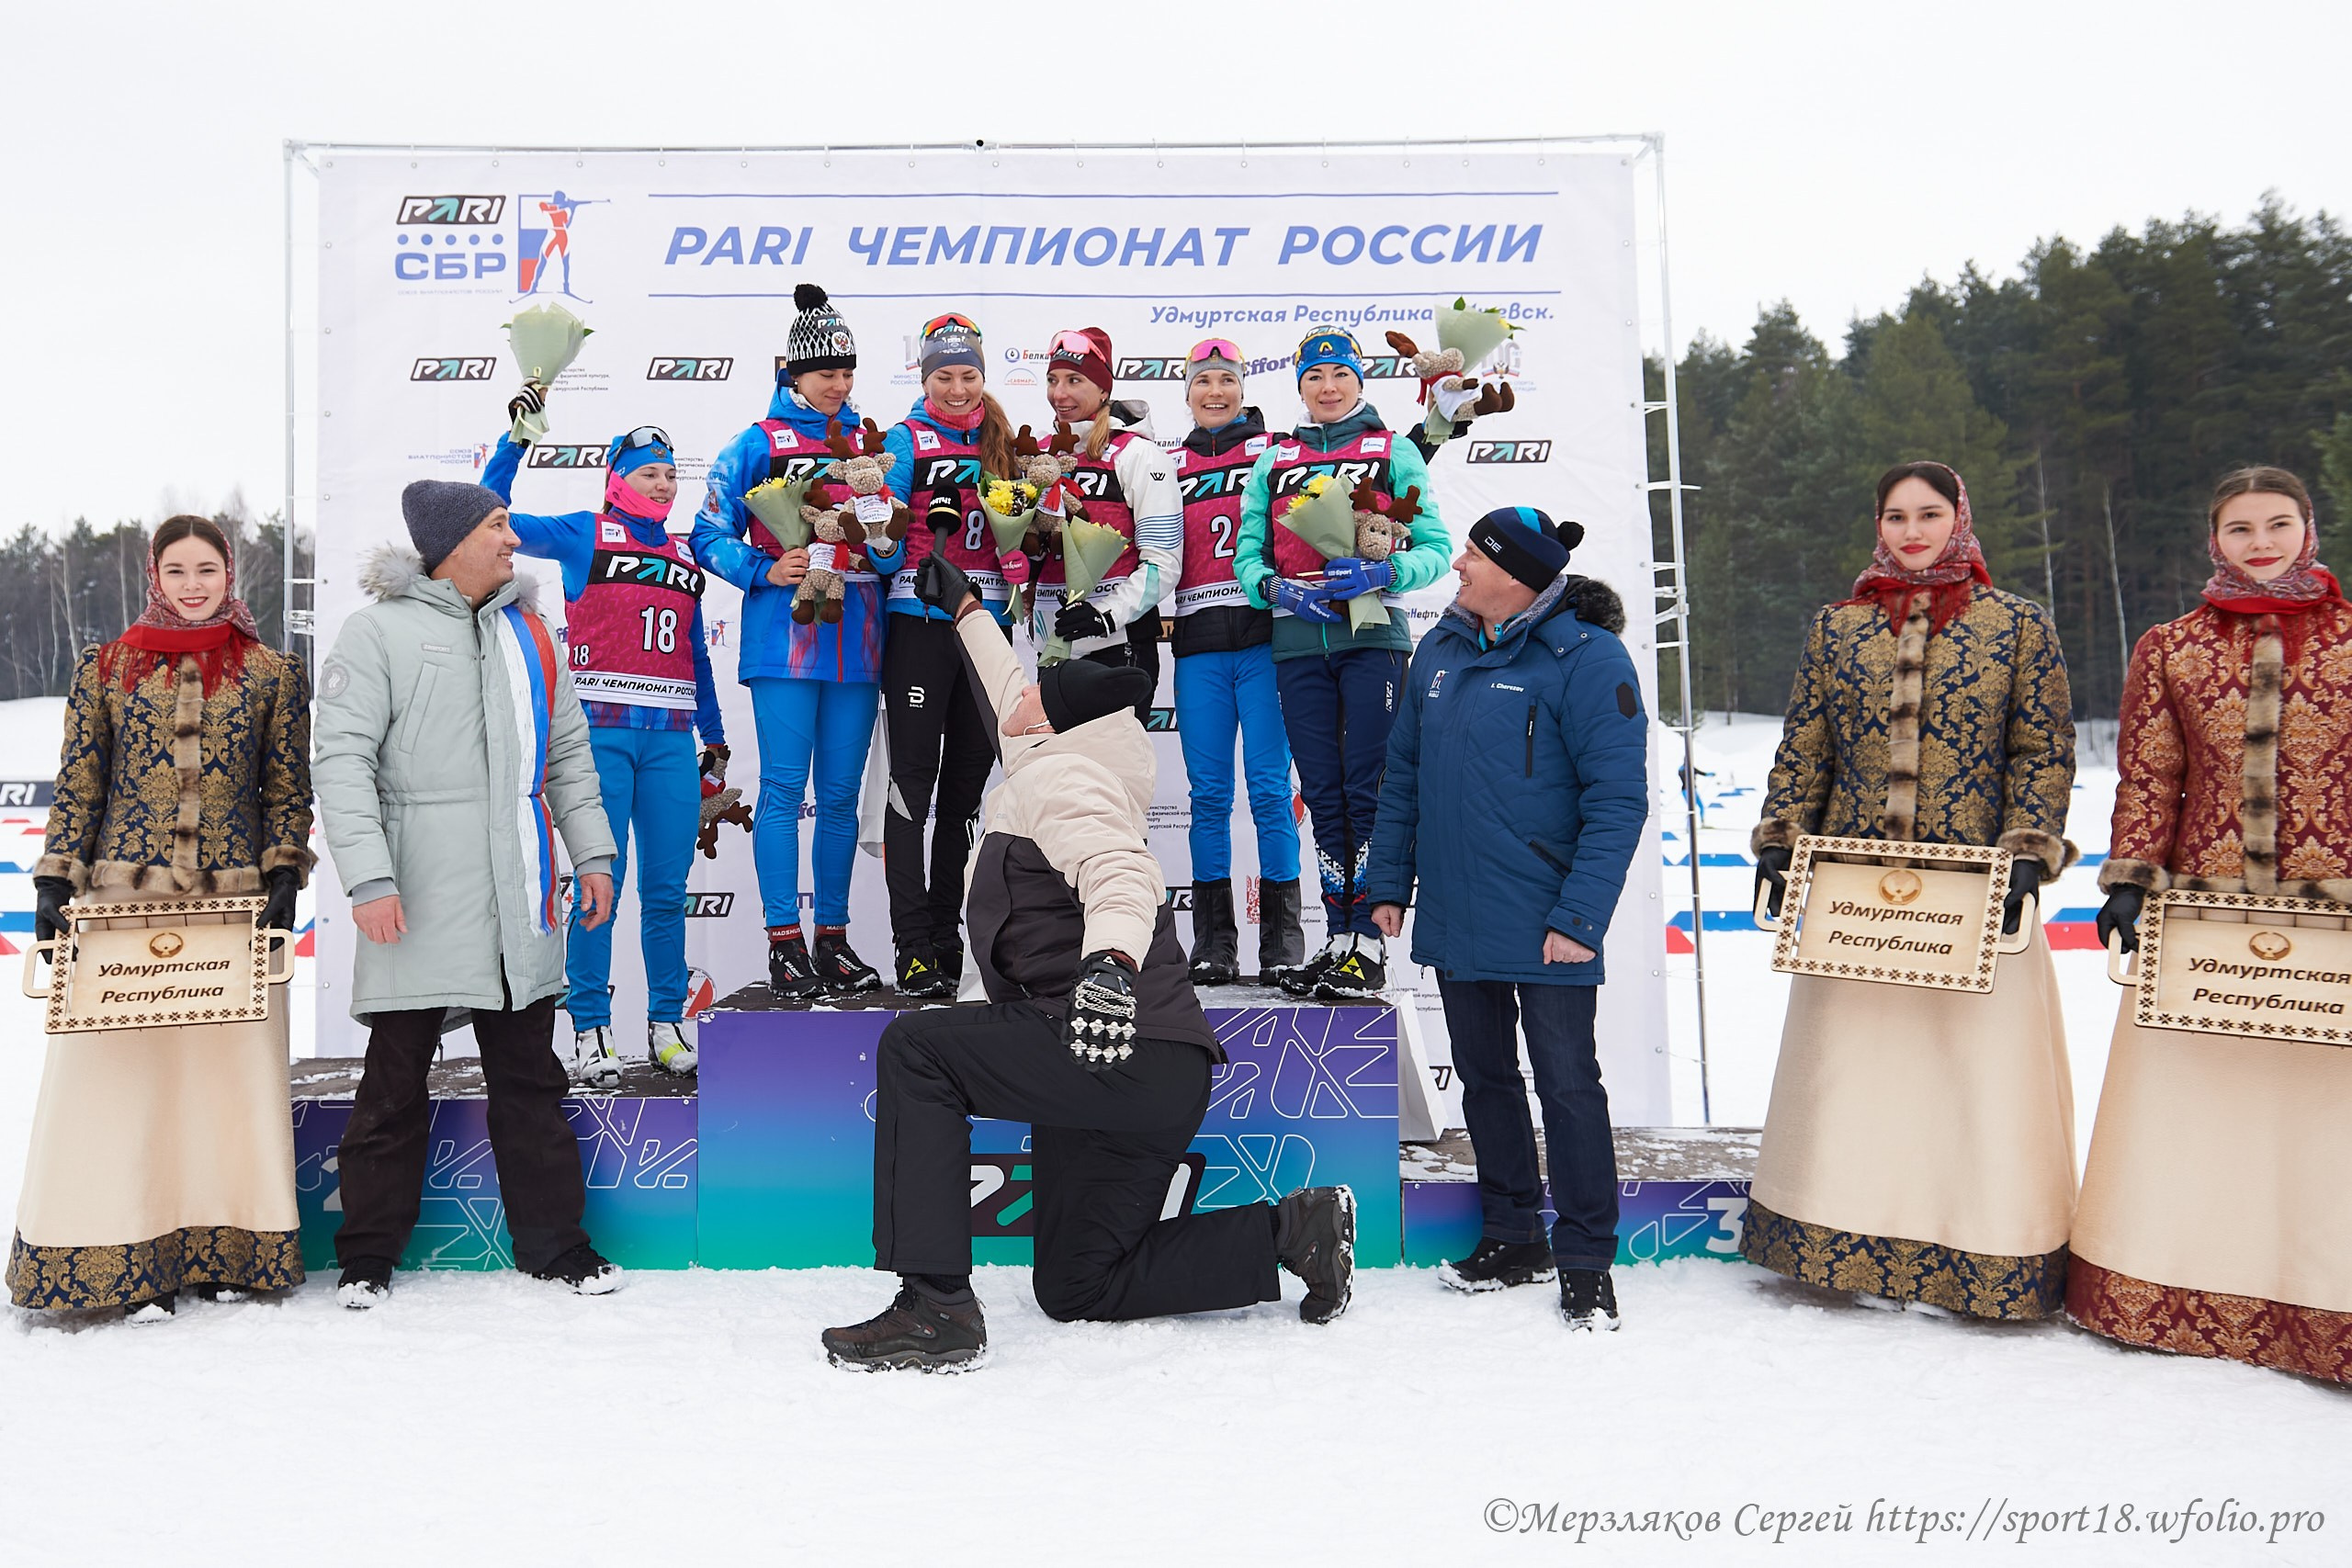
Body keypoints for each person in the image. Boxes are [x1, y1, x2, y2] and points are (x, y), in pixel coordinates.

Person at [818, 551, 1354, 1372]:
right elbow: (1005, 682)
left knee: (917, 1047)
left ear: (1052, 726)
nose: (1017, 694)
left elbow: (1121, 875)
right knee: (1078, 1282)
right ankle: (1291, 1231)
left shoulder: (1065, 780)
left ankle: (935, 1307)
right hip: (1150, 1071)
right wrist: (962, 605)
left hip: (1114, 1037)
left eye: (1034, 694)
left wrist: (1107, 967)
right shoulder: (1055, 751)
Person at [1740, 461, 2078, 1321]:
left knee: (1973, 1074)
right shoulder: (1838, 627)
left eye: (1930, 513)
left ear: (1960, 518)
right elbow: (1806, 747)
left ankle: (1981, 1254)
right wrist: (1781, 839)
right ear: (1877, 525)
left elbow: (2040, 749)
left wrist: (2028, 854)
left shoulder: (2018, 626)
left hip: (1977, 891)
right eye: (1896, 515)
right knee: (1857, 1074)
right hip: (1858, 896)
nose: (1913, 530)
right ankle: (1834, 1242)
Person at [2070, 466, 2352, 1383]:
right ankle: (2176, 1294)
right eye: (2239, 529)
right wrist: (2129, 880)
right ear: (2213, 540)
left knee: (2320, 1124)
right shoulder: (2171, 647)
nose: (2259, 543)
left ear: (2308, 529)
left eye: (2276, 524)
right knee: (2200, 1115)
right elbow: (2150, 775)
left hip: (2333, 924)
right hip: (2203, 920)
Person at [313, 480, 623, 1306]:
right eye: (497, 526)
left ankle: (557, 1245)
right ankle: (367, 1257)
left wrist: (592, 852)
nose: (513, 540)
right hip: (416, 894)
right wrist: (371, 879)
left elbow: (568, 759)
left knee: (530, 1077)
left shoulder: (534, 633)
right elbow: (341, 764)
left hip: (517, 893)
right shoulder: (375, 631)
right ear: (451, 543)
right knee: (392, 1082)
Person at [13, 517, 311, 1320]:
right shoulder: (105, 667)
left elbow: (285, 789)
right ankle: (109, 1252)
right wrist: (55, 879)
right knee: (114, 1086)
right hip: (122, 912)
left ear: (229, 573)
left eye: (205, 568)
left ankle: (228, 1248)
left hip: (232, 911)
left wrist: (285, 868)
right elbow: (80, 785)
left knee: (224, 1087)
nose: (190, 583)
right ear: (154, 573)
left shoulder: (271, 673)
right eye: (175, 569)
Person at [1366, 508, 1647, 1329]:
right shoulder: (1442, 651)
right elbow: (1404, 775)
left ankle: (1588, 1258)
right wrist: (1391, 879)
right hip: (1459, 914)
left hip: (1547, 920)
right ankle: (1514, 1234)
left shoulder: (1589, 658)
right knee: (1485, 1081)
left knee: (1567, 1086)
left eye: (1472, 555)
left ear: (1517, 576)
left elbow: (1617, 801)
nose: (1455, 564)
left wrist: (1580, 917)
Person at [485, 400, 722, 1085]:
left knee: (668, 890)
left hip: (673, 741)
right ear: (618, 477)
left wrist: (716, 735)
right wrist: (516, 439)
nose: (664, 485)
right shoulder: (586, 533)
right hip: (602, 738)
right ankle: (590, 1029)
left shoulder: (682, 551)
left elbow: (694, 653)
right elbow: (490, 519)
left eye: (671, 474)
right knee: (600, 886)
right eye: (649, 473)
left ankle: (667, 1024)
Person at [1233, 327, 1451, 1000]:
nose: (1328, 387)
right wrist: (1274, 588)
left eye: (1340, 375)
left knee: (1370, 790)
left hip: (1374, 640)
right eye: (1314, 376)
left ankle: (1372, 941)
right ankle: (1337, 936)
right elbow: (1248, 552)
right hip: (1299, 643)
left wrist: (1385, 570)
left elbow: (1437, 549)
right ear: (1298, 385)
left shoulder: (1395, 450)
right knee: (1323, 793)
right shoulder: (1275, 459)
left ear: (1360, 381)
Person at [695, 283, 887, 1000]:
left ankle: (832, 940)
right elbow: (706, 532)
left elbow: (894, 542)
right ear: (793, 374)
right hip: (787, 640)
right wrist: (764, 566)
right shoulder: (757, 441)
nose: (838, 384)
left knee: (838, 797)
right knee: (783, 789)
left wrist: (883, 545)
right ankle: (784, 943)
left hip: (860, 641)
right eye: (825, 372)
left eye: (847, 372)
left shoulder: (871, 441)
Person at [862, 313, 1032, 997]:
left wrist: (1027, 558)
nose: (958, 388)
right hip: (922, 624)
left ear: (983, 377)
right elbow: (883, 548)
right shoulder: (905, 440)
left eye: (969, 375)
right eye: (944, 376)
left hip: (988, 632)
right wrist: (880, 534)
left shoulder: (1004, 445)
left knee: (966, 793)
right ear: (925, 377)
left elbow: (1021, 543)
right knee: (911, 787)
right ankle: (912, 946)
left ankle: (945, 934)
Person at [1165, 338, 1306, 984]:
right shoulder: (1167, 460)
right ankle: (1213, 942)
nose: (1214, 392)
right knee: (1209, 796)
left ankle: (1283, 940)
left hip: (1262, 642)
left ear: (1243, 387)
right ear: (1187, 391)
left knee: (1273, 793)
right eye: (1203, 382)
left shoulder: (1274, 452)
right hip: (1197, 645)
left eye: (1226, 380)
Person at [1030, 326, 1180, 687]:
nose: (1059, 393)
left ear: (1103, 389)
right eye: (1052, 380)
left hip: (1118, 645)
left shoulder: (1138, 454)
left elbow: (1163, 563)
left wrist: (1103, 615)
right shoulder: (1039, 456)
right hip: (1052, 647)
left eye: (1074, 380)